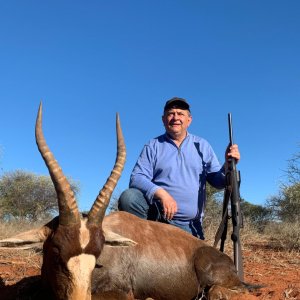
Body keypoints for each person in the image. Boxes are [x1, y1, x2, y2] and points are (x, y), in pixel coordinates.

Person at [118, 97, 240, 239]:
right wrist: (162, 194)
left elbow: (218, 182)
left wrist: (227, 164)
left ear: (189, 120)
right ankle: (146, 240)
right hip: (157, 218)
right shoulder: (153, 145)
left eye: (180, 114)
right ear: (163, 120)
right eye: (171, 113)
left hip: (188, 225)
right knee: (129, 197)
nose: (175, 117)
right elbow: (136, 177)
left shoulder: (202, 145)